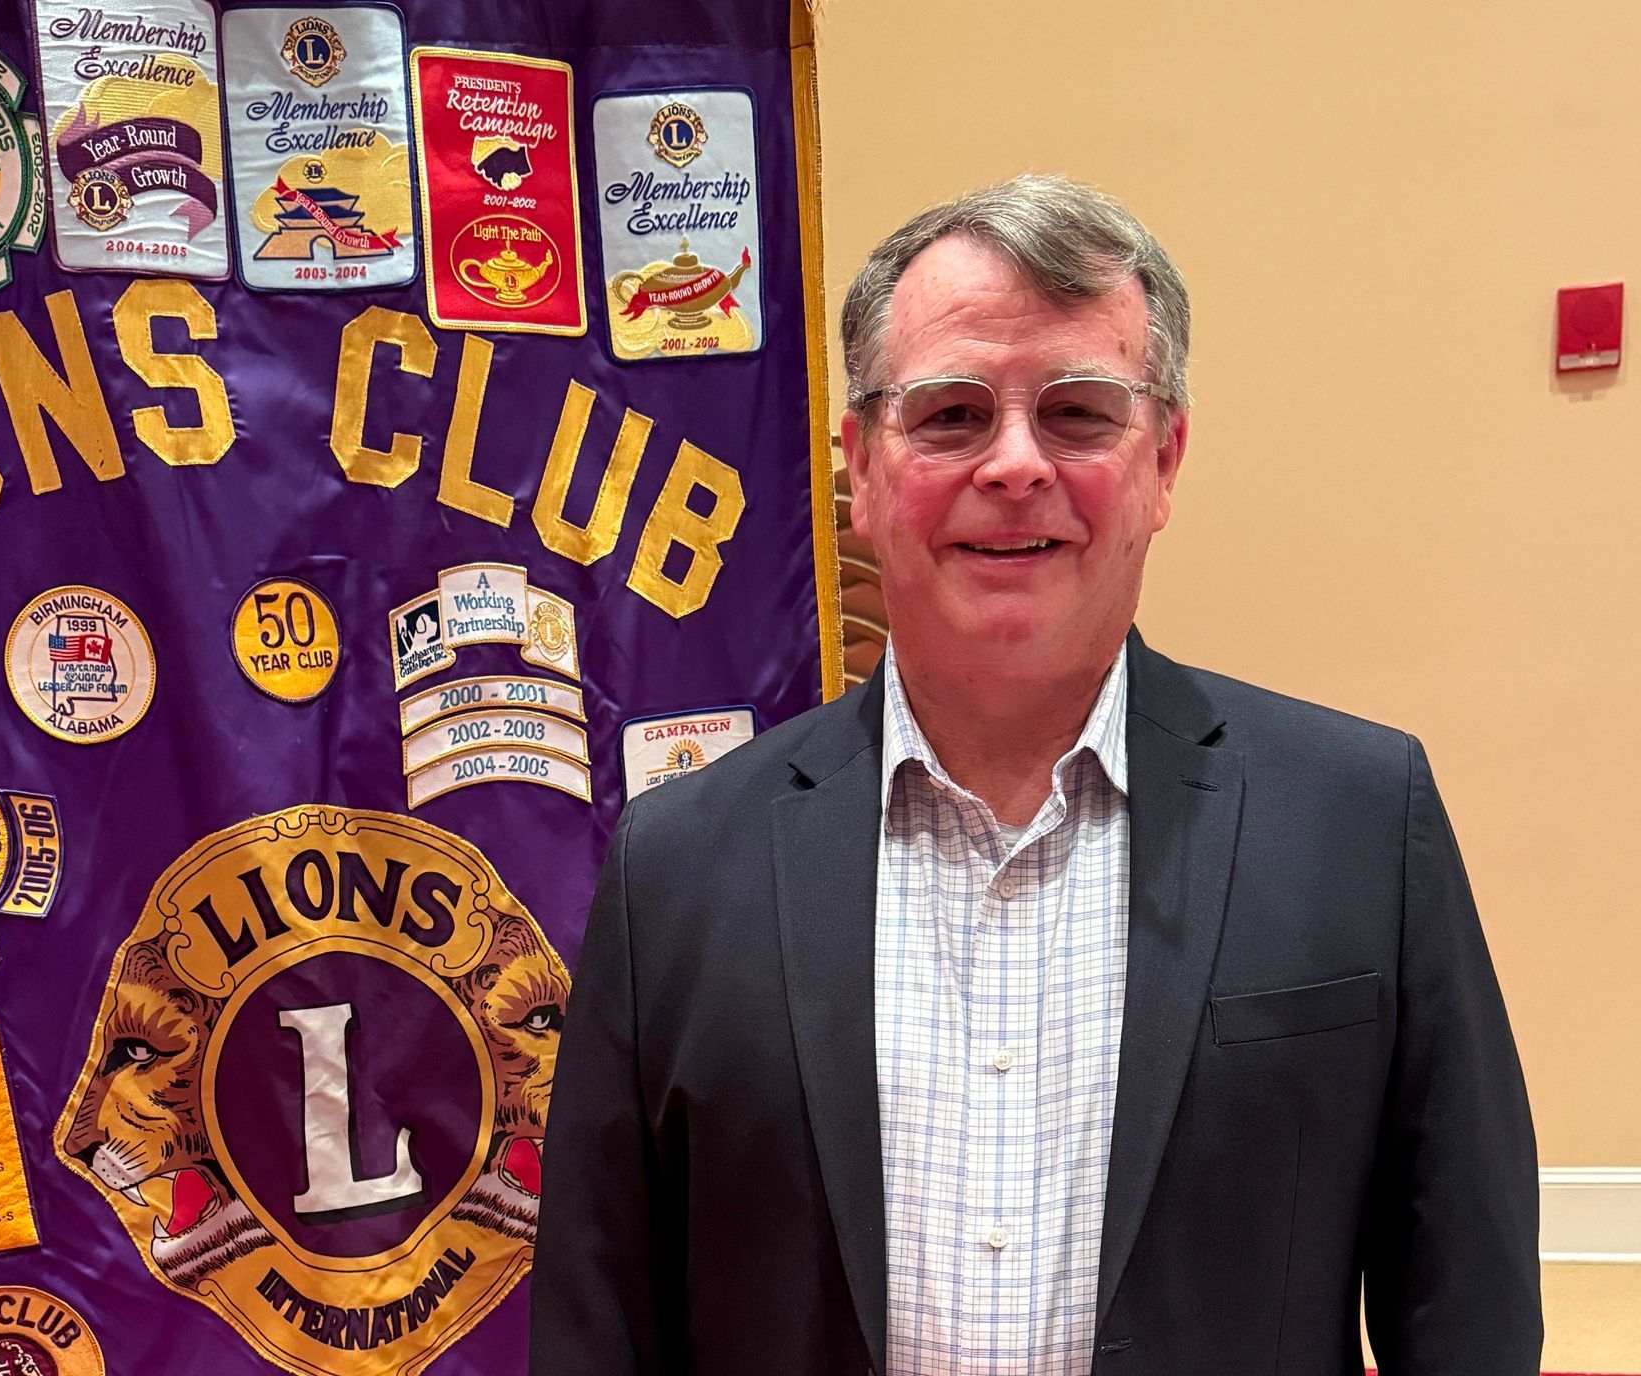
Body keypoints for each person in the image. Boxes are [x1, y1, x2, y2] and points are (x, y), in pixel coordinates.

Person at [529, 174, 1540, 1375]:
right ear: (857, 466)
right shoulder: (678, 867)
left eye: (1079, 412)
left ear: (1164, 459)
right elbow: (598, 1325)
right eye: (951, 413)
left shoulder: (1363, 824)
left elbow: (1464, 1306)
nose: (1015, 464)